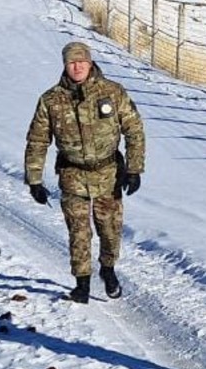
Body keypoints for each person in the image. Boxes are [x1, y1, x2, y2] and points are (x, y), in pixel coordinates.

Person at [24, 41, 146, 304]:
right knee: (78, 233)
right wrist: (34, 179)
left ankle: (108, 269)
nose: (77, 67)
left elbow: (134, 130)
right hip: (72, 176)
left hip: (108, 175)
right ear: (65, 65)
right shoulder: (51, 100)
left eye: (82, 61)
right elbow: (37, 140)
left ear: (90, 63)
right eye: (71, 62)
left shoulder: (112, 92)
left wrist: (135, 169)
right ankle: (81, 283)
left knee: (110, 230)